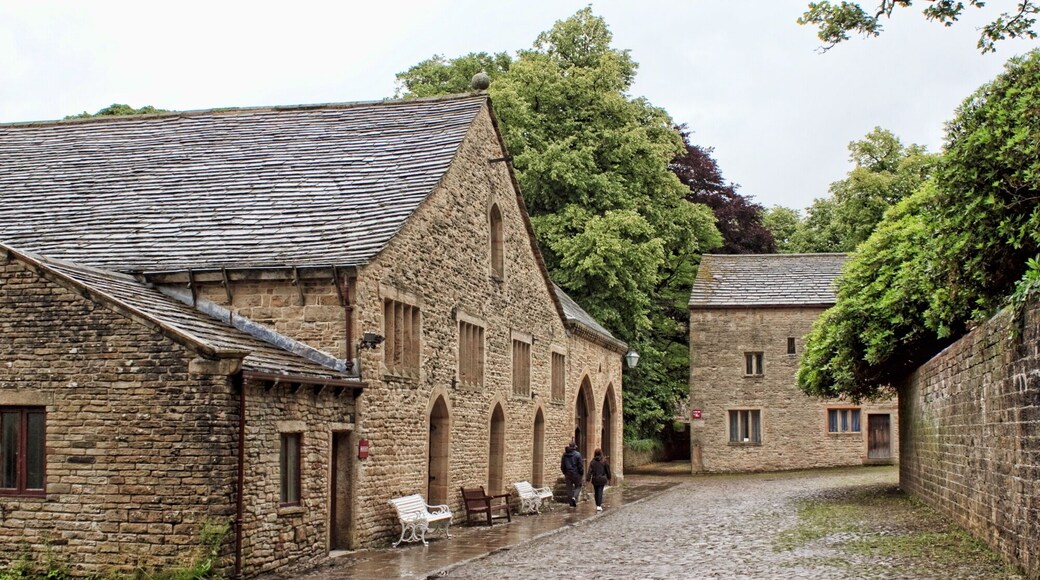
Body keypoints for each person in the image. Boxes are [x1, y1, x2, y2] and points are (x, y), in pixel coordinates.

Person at [560, 442, 584, 507]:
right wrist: (581, 472)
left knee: (569, 488)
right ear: (575, 447)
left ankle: (571, 504)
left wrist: (564, 472)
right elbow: (580, 465)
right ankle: (574, 497)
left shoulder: (564, 455)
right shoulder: (578, 454)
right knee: (578, 486)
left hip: (568, 474)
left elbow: (562, 465)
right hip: (576, 474)